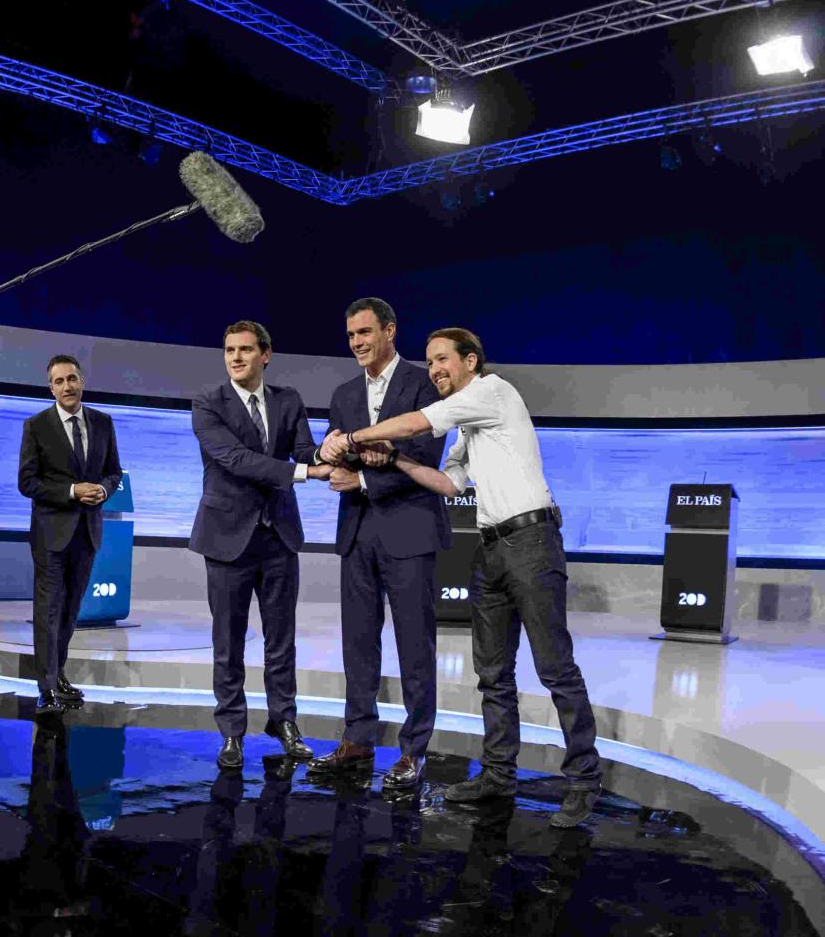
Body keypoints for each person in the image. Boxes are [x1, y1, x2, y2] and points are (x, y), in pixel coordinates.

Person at [323, 326, 603, 828]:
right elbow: (449, 483)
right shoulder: (472, 426)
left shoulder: (492, 393)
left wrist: (354, 438)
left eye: (442, 361)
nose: (434, 371)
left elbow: (416, 424)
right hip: (491, 549)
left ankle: (583, 779)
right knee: (493, 675)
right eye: (429, 363)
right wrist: (397, 462)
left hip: (532, 544)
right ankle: (498, 775)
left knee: (556, 669)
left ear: (471, 361)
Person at [306, 298, 449, 791]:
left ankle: (414, 751)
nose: (357, 343)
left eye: (365, 332)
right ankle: (358, 738)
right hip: (357, 535)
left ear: (389, 331)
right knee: (358, 645)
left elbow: (423, 453)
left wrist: (364, 481)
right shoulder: (345, 392)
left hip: (409, 530)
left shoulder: (423, 384)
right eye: (350, 336)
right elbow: (330, 448)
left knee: (415, 645)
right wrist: (323, 447)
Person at [188, 321, 327, 769]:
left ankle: (284, 721)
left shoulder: (288, 400)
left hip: (279, 536)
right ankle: (232, 732)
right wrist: (304, 474)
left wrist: (335, 452)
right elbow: (235, 460)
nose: (236, 357)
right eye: (229, 350)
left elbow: (305, 449)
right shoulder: (208, 402)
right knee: (228, 642)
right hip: (227, 538)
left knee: (280, 640)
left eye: (245, 349)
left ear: (265, 354)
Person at [17, 354, 122, 716]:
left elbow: (113, 472)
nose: (67, 386)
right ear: (51, 388)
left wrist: (105, 491)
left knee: (70, 611)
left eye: (72, 379)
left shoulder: (103, 423)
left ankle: (57, 673)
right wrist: (73, 491)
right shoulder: (36, 426)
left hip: (87, 532)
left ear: (82, 381)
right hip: (50, 533)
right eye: (59, 381)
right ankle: (45, 688)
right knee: (48, 611)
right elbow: (27, 483)